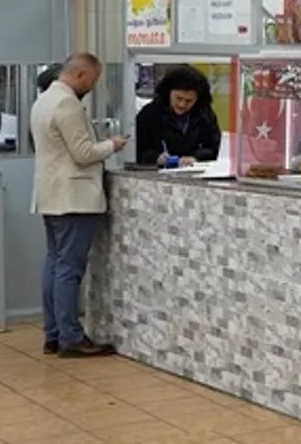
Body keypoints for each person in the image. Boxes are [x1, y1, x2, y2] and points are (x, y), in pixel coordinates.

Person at [30, 53, 127, 357]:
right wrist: (112, 145)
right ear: (80, 75)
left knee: (55, 264)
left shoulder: (44, 100)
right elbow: (83, 154)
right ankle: (71, 338)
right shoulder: (67, 103)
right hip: (73, 198)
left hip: (51, 195)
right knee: (69, 269)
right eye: (93, 81)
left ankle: (54, 334)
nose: (92, 87)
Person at [134, 65, 221, 166]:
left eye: (189, 101)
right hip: (157, 171)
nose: (182, 104)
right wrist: (156, 158)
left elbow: (215, 148)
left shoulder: (205, 115)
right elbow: (137, 150)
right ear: (168, 93)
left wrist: (197, 158)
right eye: (178, 98)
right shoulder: (149, 114)